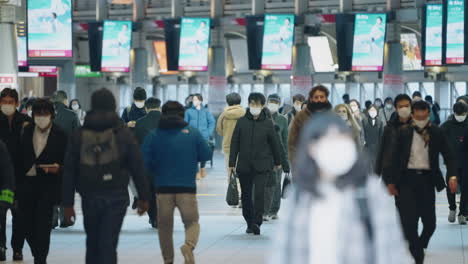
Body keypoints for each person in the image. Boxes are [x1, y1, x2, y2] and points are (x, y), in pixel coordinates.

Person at [272, 113, 412, 264]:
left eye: (343, 139)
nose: (337, 147)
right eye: (329, 140)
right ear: (312, 148)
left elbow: (392, 253)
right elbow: (282, 254)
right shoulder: (299, 196)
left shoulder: (370, 194)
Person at [62, 88, 150, 264]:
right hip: (116, 195)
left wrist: (67, 203)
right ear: (113, 106)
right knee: (108, 244)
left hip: (90, 195)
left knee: (93, 243)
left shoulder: (80, 133)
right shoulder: (122, 132)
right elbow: (137, 166)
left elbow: (69, 169)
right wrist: (144, 197)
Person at [384, 100, 458, 264]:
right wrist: (390, 182)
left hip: (427, 180)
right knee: (409, 223)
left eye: (424, 114)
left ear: (428, 114)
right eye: (418, 115)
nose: (421, 118)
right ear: (412, 115)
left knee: (430, 223)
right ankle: (418, 255)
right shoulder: (403, 132)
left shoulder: (437, 133)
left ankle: (419, 244)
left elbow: (449, 156)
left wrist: (452, 176)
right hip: (406, 181)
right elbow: (392, 158)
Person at [142, 101, 211, 264]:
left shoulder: (154, 135)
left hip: (163, 189)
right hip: (186, 188)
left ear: (163, 114)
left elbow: (144, 161)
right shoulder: (193, 133)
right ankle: (188, 245)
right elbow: (206, 154)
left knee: (165, 228)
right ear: (182, 114)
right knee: (192, 222)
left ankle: (168, 260)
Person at [17, 98, 67, 264]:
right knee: (26, 224)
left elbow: (67, 162)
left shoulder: (60, 134)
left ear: (52, 115)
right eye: (38, 113)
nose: (41, 117)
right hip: (27, 184)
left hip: (48, 185)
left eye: (45, 113)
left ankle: (40, 258)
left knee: (43, 226)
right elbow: (20, 158)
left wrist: (58, 168)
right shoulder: (26, 130)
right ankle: (38, 252)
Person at [229, 93, 282, 235]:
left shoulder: (268, 123)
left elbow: (274, 144)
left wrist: (278, 162)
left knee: (259, 194)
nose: (254, 107)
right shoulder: (241, 122)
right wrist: (231, 163)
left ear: (262, 106)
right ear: (248, 104)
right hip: (244, 165)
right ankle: (249, 222)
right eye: (252, 104)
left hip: (262, 165)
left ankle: (257, 221)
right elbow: (235, 143)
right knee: (246, 196)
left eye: (257, 104)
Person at [0, 88, 31, 261]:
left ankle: (17, 248)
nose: (7, 105)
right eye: (4, 102)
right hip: (2, 177)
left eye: (10, 102)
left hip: (20, 176)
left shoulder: (25, 121)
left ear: (17, 103)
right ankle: (1, 246)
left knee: (20, 215)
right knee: (0, 213)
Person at [134, 97, 161, 228]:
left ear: (146, 108)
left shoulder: (140, 123)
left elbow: (136, 143)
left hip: (147, 163)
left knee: (150, 191)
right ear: (160, 107)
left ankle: (154, 218)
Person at [288, 85, 332, 164]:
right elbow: (292, 141)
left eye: (321, 97)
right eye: (316, 97)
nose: (319, 100)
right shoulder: (298, 117)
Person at [441, 102, 468, 224]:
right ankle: (452, 208)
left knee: (466, 188)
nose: (460, 116)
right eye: (458, 114)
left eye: (462, 114)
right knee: (451, 186)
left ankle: (462, 213)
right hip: (451, 162)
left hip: (466, 162)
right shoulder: (447, 126)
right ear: (454, 113)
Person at [216, 93, 245, 204]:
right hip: (243, 147)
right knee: (244, 172)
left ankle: (234, 196)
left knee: (231, 172)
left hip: (228, 146)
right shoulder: (245, 113)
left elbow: (219, 129)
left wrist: (227, 135)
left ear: (227, 102)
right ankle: (244, 197)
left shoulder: (224, 115)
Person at [264, 94, 290, 221]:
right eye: (271, 102)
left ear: (279, 105)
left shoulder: (283, 120)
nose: (273, 104)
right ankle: (265, 209)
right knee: (265, 184)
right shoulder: (262, 118)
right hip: (264, 156)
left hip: (277, 156)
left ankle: (274, 210)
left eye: (275, 102)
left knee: (276, 184)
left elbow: (284, 140)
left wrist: (285, 158)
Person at [376, 94, 412, 177]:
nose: (404, 109)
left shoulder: (418, 127)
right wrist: (377, 173)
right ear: (396, 108)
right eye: (400, 107)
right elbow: (382, 152)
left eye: (407, 106)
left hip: (412, 174)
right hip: (392, 172)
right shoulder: (389, 128)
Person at [184, 94, 215, 179]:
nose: (194, 101)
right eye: (193, 99)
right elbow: (185, 123)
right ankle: (196, 171)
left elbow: (212, 122)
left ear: (200, 101)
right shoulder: (188, 111)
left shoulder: (206, 111)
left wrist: (208, 132)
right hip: (192, 136)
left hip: (204, 136)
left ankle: (202, 167)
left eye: (196, 99)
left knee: (203, 153)